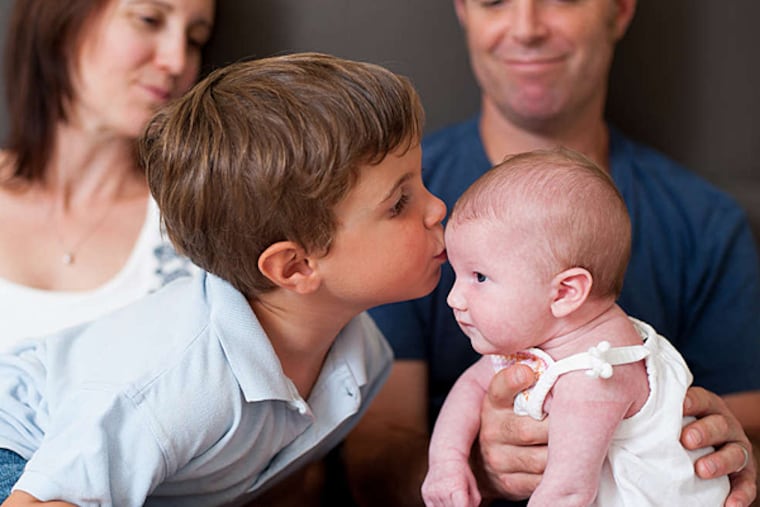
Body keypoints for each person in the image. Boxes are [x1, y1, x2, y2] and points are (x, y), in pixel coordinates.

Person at [344, 1, 759, 506]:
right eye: (495, 0)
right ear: (463, 11)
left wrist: (725, 458)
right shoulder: (394, 210)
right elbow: (368, 460)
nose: (527, 28)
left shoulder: (704, 223)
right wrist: (478, 464)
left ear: (620, 10)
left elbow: (746, 435)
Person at [0, 52, 448, 506]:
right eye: (398, 203)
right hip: (21, 454)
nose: (437, 209)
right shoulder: (178, 384)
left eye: (421, 181)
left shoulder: (358, 354)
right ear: (294, 267)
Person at [421, 148, 730, 506]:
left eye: (479, 277)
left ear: (566, 292)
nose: (454, 298)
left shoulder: (596, 374)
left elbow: (567, 493)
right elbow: (471, 387)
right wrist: (446, 463)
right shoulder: (540, 339)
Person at [0, 0, 213, 349]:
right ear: (63, 17)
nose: (176, 61)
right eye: (148, 19)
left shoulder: (192, 227)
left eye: (195, 40)